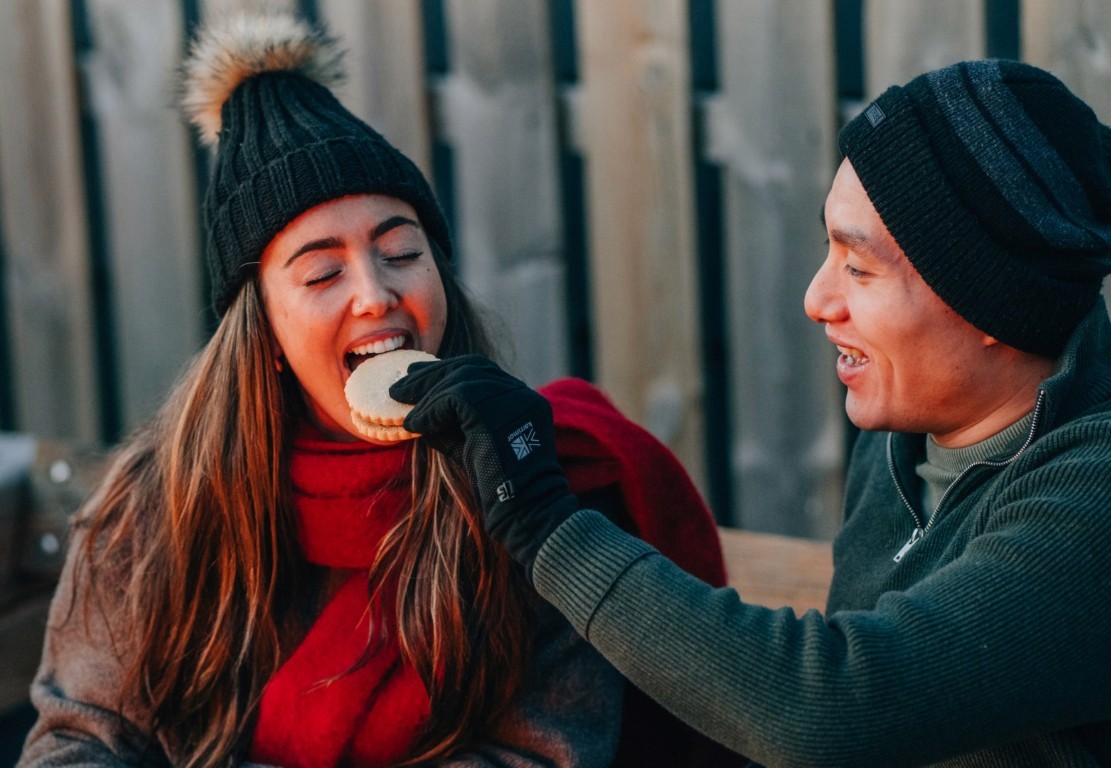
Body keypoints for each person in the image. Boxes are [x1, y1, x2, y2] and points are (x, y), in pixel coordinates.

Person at [18, 11, 736, 768]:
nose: (374, 294)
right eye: (322, 272)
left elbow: (538, 756)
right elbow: (79, 738)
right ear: (262, 332)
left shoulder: (527, 490)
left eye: (401, 252)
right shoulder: (155, 509)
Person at [391, 59, 1111, 767]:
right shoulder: (906, 435)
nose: (817, 300)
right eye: (829, 251)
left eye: (858, 267)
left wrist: (545, 524)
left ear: (992, 303)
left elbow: (832, 706)